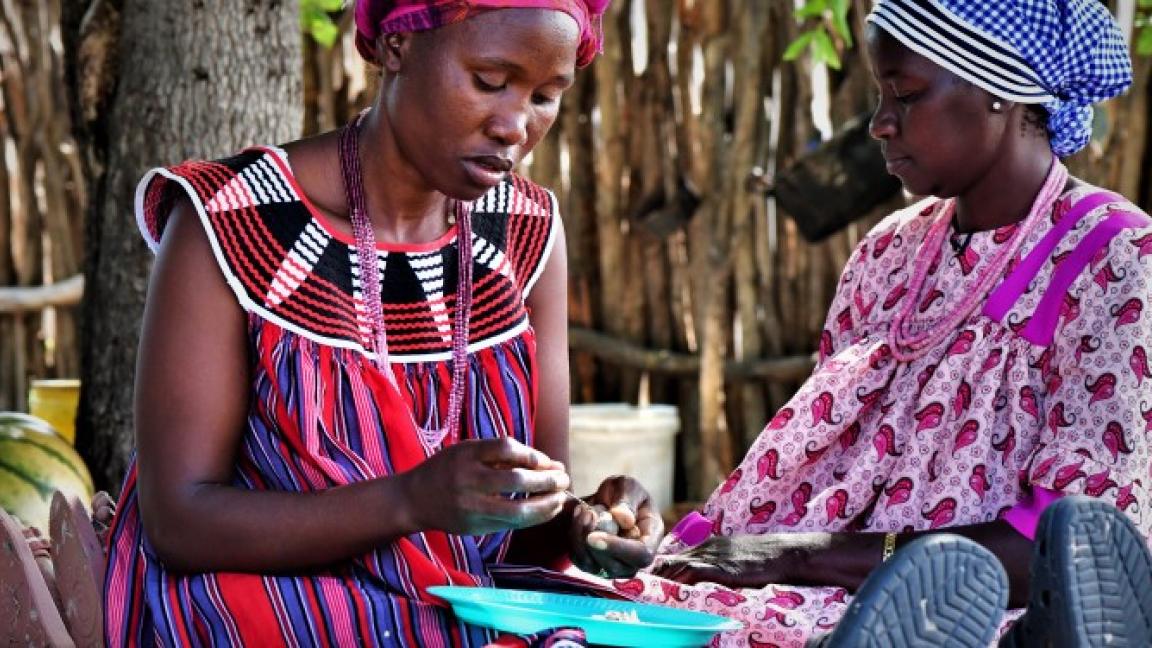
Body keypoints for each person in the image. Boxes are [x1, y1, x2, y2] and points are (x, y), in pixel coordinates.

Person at [100, 1, 665, 646]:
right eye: (489, 81)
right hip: (275, 602)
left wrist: (586, 525)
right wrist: (409, 502)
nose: (514, 125)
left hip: (465, 609)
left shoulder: (525, 234)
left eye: (545, 95)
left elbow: (525, 536)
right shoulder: (233, 223)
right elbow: (178, 523)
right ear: (397, 45)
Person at [608, 1, 1152, 646]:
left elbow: (1072, 542)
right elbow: (824, 469)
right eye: (879, 95)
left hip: (984, 599)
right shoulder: (887, 254)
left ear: (1003, 91)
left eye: (907, 94)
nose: (880, 124)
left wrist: (799, 556)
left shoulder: (1115, 260)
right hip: (836, 585)